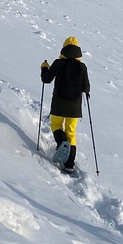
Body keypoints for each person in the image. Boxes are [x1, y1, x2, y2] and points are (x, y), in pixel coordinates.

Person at [40, 37, 90, 171]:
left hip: (58, 104)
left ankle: (62, 143)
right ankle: (69, 165)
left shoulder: (58, 63)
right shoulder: (82, 67)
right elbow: (86, 88)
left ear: (64, 48)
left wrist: (44, 68)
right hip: (74, 107)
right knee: (71, 133)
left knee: (56, 125)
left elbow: (46, 79)